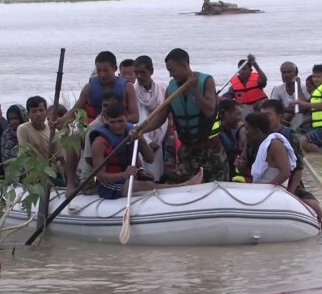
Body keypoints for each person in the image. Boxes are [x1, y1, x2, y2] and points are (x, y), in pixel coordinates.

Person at [137, 48, 229, 183]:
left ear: (185, 65)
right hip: (188, 151)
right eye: (168, 71)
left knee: (218, 185)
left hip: (211, 150)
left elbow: (209, 110)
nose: (170, 75)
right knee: (188, 189)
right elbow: (160, 118)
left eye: (172, 70)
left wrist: (194, 89)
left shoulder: (207, 82)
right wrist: (140, 130)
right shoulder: (171, 89)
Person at [92, 103, 203, 199]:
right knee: (147, 186)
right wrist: (123, 175)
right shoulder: (100, 143)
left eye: (120, 121)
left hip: (129, 178)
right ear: (107, 121)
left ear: (126, 117)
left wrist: (142, 140)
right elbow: (100, 176)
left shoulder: (132, 132)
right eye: (113, 122)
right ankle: (185, 186)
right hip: (109, 185)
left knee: (149, 181)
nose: (117, 126)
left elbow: (150, 159)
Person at [259, 99, 322, 222]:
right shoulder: (257, 134)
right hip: (261, 181)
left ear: (280, 116)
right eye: (262, 115)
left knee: (316, 209)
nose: (264, 119)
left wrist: (290, 192)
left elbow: (298, 168)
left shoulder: (289, 136)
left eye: (267, 115)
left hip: (289, 181)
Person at [56, 51, 139, 127]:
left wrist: (113, 121)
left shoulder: (127, 87)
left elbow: (135, 117)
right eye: (99, 71)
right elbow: (74, 112)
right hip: (94, 130)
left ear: (115, 68)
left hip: (120, 130)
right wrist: (60, 120)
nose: (102, 74)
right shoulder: (88, 88)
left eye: (105, 71)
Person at [76, 92, 124, 193]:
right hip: (92, 177)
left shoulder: (123, 125)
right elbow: (89, 159)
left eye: (109, 105)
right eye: (104, 105)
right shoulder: (94, 127)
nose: (106, 109)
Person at [133, 55, 168, 181]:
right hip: (141, 140)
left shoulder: (162, 90)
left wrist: (158, 140)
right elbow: (134, 120)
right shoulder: (132, 92)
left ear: (151, 71)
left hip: (160, 140)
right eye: (136, 73)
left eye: (143, 72)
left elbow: (165, 116)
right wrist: (147, 141)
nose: (139, 76)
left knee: (159, 174)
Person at [18, 96, 65, 186]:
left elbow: (60, 158)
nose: (38, 114)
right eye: (34, 111)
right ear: (28, 114)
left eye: (41, 110)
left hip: (53, 173)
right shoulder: (23, 129)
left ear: (46, 112)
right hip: (36, 175)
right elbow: (25, 156)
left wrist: (70, 177)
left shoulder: (53, 132)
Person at [218, 99, 246, 179]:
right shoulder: (216, 134)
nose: (240, 118)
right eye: (238, 114)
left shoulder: (234, 130)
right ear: (226, 114)